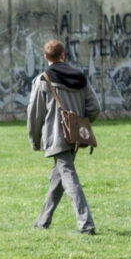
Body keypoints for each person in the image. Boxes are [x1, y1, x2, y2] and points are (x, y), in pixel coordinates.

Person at [27, 40, 101, 234]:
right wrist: (80, 125)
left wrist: (35, 141)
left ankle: (86, 224)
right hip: (75, 137)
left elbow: (34, 115)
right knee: (57, 178)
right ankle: (43, 221)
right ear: (63, 55)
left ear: (45, 57)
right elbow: (94, 108)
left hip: (56, 137)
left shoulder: (43, 79)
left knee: (68, 176)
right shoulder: (80, 77)